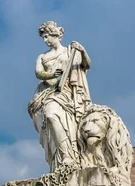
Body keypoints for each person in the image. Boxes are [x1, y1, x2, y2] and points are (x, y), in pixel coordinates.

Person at [28, 21, 91, 172]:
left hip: (66, 92)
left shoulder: (70, 52)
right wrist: (49, 74)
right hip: (45, 93)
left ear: (56, 35)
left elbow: (86, 64)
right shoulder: (42, 57)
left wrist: (82, 52)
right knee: (49, 119)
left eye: (47, 36)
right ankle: (60, 160)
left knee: (52, 115)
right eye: (43, 37)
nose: (45, 40)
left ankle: (68, 156)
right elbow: (38, 73)